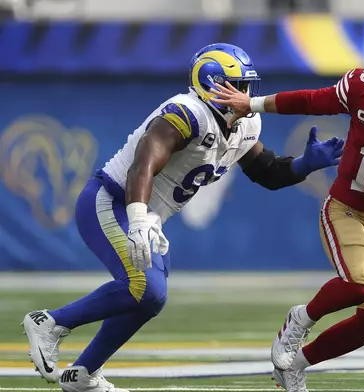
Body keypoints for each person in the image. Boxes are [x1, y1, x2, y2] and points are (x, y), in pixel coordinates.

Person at [21, 43, 344, 392]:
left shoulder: (244, 124)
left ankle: (83, 373)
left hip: (146, 214)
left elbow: (267, 172)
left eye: (248, 85)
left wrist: (303, 165)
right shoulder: (187, 112)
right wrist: (139, 217)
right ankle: (50, 322)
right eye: (239, 85)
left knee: (150, 299)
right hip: (112, 201)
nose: (248, 94)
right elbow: (143, 163)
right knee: (145, 288)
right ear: (213, 85)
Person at [212, 24, 364, 392]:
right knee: (362, 283)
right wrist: (250, 104)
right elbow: (310, 99)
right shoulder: (362, 87)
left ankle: (294, 366)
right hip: (346, 208)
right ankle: (300, 319)